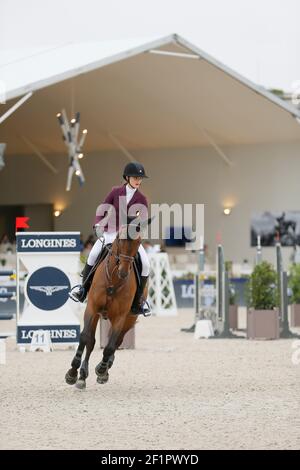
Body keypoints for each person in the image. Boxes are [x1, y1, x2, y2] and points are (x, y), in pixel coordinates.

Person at [69, 162, 151, 315]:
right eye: (135, 177)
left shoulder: (142, 199)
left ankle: (140, 301)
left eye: (140, 178)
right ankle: (82, 289)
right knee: (93, 255)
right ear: (127, 177)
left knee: (145, 264)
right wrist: (98, 223)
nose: (138, 180)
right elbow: (103, 208)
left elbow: (143, 221)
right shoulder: (115, 192)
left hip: (130, 237)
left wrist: (134, 229)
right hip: (111, 232)